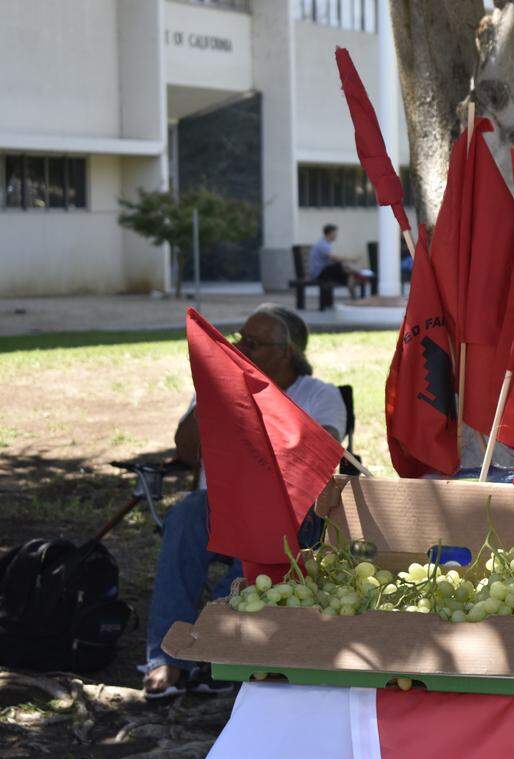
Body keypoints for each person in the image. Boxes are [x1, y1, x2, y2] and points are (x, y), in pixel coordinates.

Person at [143, 304, 346, 699]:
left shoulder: (319, 395)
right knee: (183, 517)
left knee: (258, 536)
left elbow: (318, 459)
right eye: (239, 338)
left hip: (286, 508)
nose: (240, 347)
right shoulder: (217, 386)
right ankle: (165, 658)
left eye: (252, 342)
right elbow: (185, 450)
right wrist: (215, 391)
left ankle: (216, 647)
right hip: (218, 503)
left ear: (285, 352)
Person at [308, 223, 368, 296]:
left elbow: (333, 260)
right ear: (329, 233)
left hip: (325, 272)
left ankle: (354, 299)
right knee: (341, 266)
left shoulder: (326, 244)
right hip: (319, 273)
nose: (336, 236)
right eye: (334, 233)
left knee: (349, 277)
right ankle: (358, 272)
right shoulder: (322, 244)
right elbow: (334, 258)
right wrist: (351, 259)